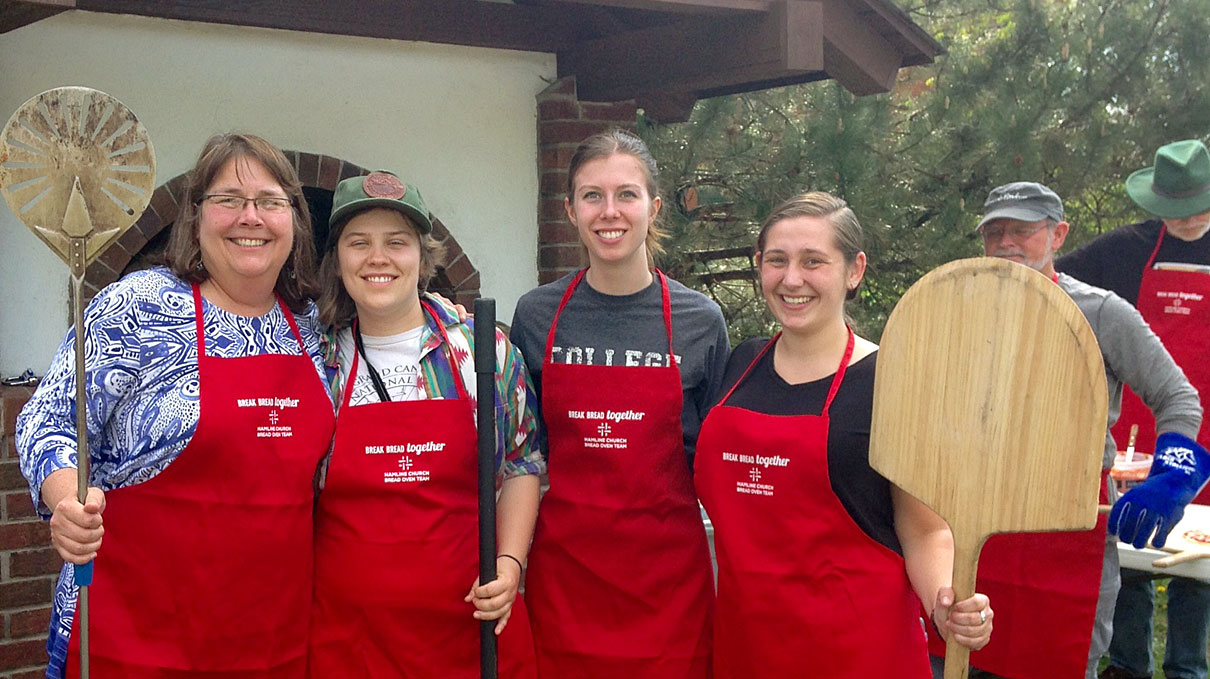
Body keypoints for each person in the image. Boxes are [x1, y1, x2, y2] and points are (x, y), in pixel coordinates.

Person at [15, 133, 337, 678]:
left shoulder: (311, 325)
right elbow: (46, 421)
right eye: (229, 199)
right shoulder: (137, 307)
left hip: (270, 639)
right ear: (196, 216)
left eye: (270, 202)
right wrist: (65, 498)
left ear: (295, 221)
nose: (250, 217)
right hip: (134, 634)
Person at [693, 191, 993, 678]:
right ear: (758, 267)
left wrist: (945, 606)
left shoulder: (890, 379)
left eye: (814, 261)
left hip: (857, 652)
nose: (793, 279)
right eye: (777, 261)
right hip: (747, 648)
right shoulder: (739, 365)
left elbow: (924, 528)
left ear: (854, 270)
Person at [929, 181, 1206, 679]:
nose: (1007, 242)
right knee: (953, 658)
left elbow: (1179, 398)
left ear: (1058, 234)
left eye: (1023, 230)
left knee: (1059, 659)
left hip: (1068, 533)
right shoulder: (956, 306)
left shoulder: (1102, 313)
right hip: (969, 524)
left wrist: (1172, 481)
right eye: (995, 232)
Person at [509, 128, 729, 678]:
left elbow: (718, 459)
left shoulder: (701, 321)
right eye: (592, 196)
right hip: (567, 582)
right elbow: (520, 450)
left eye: (626, 195)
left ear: (653, 208)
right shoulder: (536, 315)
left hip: (668, 587)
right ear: (570, 210)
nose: (610, 212)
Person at [307, 171, 543, 678]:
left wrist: (509, 564)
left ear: (422, 255)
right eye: (358, 243)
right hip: (349, 641)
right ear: (338, 259)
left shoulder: (482, 355)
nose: (378, 258)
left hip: (468, 633)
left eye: (397, 242)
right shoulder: (317, 360)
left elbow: (523, 461)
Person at [1057, 139, 1210, 679]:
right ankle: (1126, 665)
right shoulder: (1124, 249)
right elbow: (1046, 285)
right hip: (1138, 437)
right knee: (1129, 552)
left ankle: (1188, 668)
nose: (1185, 217)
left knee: (1198, 558)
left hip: (1196, 434)